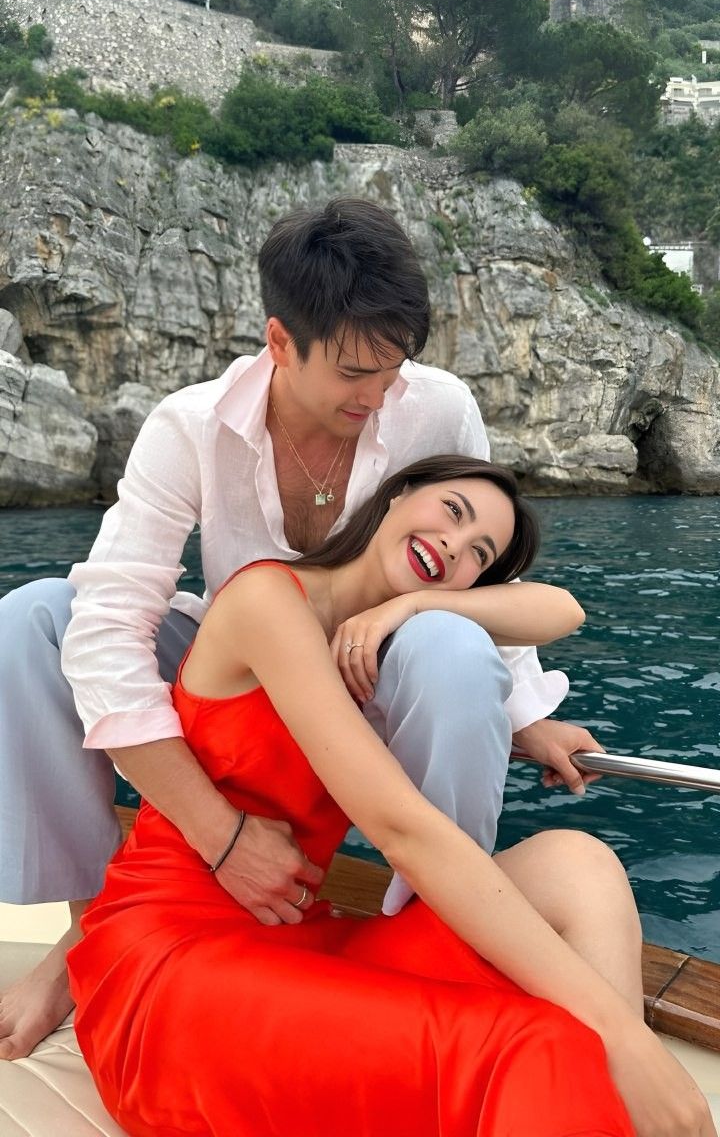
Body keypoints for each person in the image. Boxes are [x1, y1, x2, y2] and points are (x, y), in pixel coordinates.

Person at [0, 198, 601, 1061]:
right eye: (356, 372)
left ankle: (435, 931)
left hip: (378, 677)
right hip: (246, 670)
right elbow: (108, 626)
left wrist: (523, 706)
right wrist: (222, 835)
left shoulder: (439, 410)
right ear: (280, 342)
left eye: (394, 369)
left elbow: (486, 565)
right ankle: (89, 932)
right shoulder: (188, 427)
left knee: (450, 643)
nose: (381, 394)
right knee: (34, 622)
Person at [66, 455, 713, 1137]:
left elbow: (560, 610)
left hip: (293, 938)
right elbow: (402, 831)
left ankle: (624, 1102)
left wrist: (415, 603)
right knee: (538, 1044)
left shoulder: (379, 644)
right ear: (398, 495)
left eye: (478, 554)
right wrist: (625, 1036)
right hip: (169, 971)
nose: (453, 546)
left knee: (580, 866)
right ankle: (625, 1081)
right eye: (452, 513)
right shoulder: (269, 600)